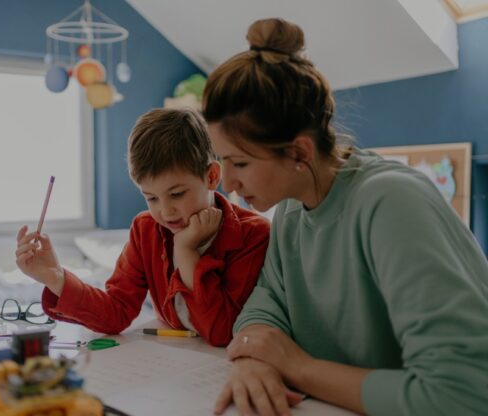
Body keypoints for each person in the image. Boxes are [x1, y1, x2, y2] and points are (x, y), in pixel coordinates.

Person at [203, 18, 488, 416]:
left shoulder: (391, 203)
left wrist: (297, 367)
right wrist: (254, 358)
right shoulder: (290, 207)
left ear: (299, 153)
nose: (228, 182)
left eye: (240, 163)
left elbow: (461, 395)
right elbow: (266, 301)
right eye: (222, 161)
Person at [15, 108, 270, 347]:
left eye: (177, 194)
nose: (166, 211)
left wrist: (186, 252)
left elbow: (222, 332)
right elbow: (116, 312)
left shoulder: (253, 234)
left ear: (212, 176)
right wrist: (55, 277)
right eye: (151, 198)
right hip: (170, 362)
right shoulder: (146, 229)